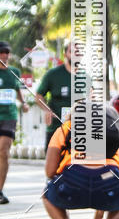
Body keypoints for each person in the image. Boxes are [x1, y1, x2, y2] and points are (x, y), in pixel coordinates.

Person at [43, 103, 119, 219]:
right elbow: (116, 169)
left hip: (73, 180)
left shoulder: (64, 130)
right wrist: (100, 214)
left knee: (46, 192)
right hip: (108, 181)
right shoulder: (108, 131)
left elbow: (50, 171)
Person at [0, 42, 29, 204]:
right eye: (1, 52)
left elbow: (18, 91)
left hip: (9, 117)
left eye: (7, 52)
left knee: (3, 152)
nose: (4, 55)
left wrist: (24, 103)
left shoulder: (15, 72)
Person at [35, 42, 73, 148]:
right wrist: (47, 109)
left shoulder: (86, 77)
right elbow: (38, 96)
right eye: (72, 51)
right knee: (52, 164)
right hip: (56, 128)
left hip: (79, 131)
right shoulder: (53, 74)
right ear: (65, 54)